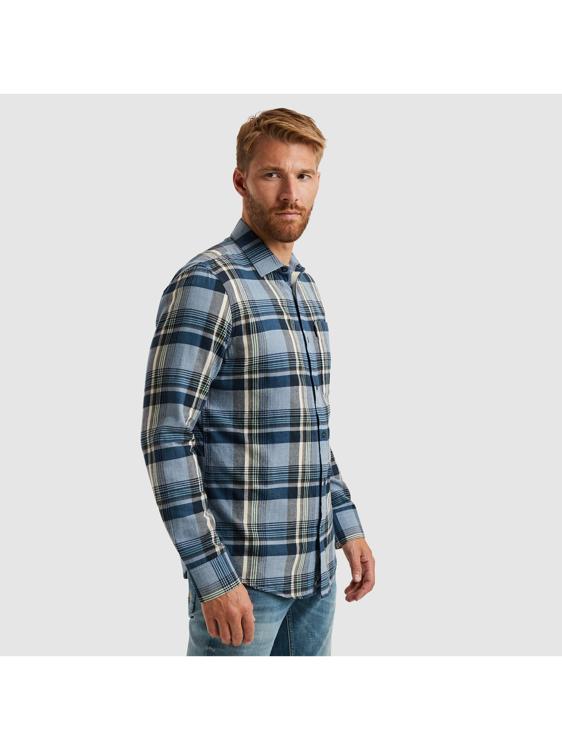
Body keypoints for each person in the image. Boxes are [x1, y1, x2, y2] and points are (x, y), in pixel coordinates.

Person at [140, 107, 375, 656]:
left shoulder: (305, 288)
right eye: (272, 174)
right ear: (241, 181)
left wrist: (348, 526)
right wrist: (212, 577)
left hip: (315, 578)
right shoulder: (209, 282)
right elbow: (166, 435)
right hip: (244, 584)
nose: (290, 193)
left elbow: (308, 430)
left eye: (303, 175)